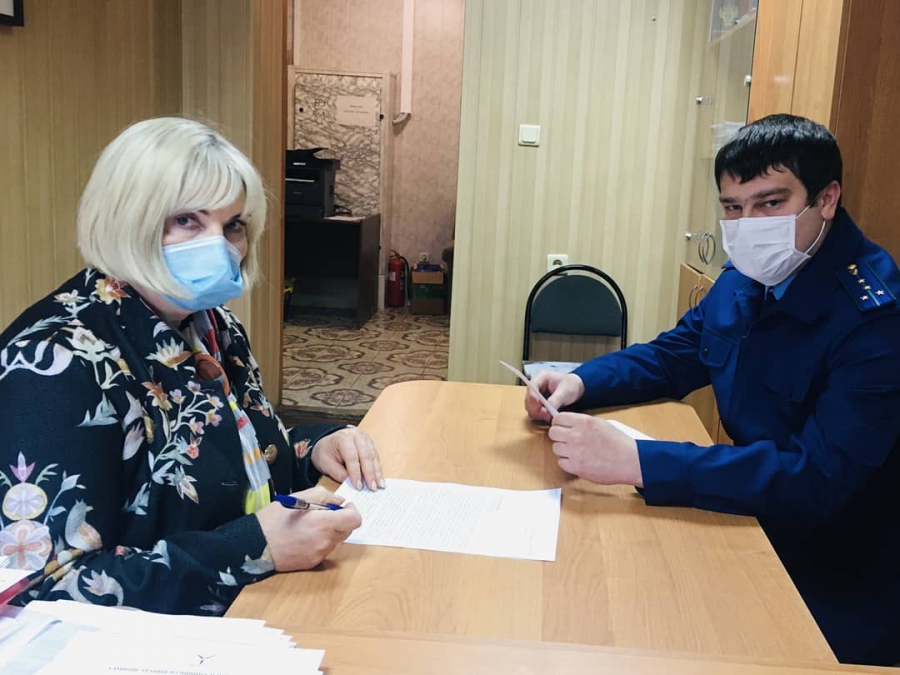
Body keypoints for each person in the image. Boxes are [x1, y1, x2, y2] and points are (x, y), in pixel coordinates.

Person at [525, 114, 900, 666]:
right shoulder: (749, 274)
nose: (747, 226)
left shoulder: (874, 318)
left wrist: (638, 460)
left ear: (826, 199)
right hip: (743, 512)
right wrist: (580, 381)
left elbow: (817, 479)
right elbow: (675, 354)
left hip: (835, 564)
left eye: (770, 204)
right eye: (732, 207)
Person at [0, 117, 384, 615]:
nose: (219, 245)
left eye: (233, 225)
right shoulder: (55, 363)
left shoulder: (211, 325)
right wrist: (253, 549)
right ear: (126, 219)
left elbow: (231, 466)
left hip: (253, 607)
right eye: (187, 220)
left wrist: (313, 450)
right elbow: (38, 586)